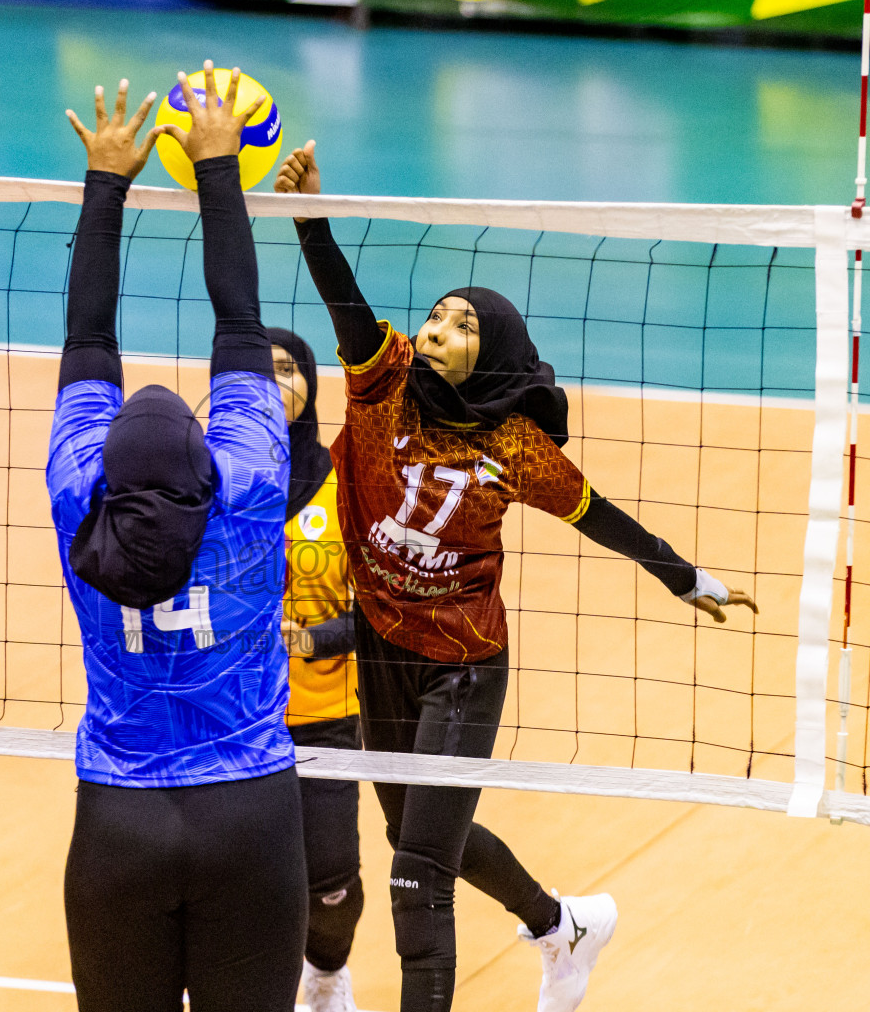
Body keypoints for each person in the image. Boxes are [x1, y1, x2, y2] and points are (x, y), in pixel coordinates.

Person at [275, 140, 758, 1012]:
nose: (434, 327)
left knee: (417, 879)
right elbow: (342, 300)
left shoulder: (518, 450)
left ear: (490, 353)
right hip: (384, 650)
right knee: (413, 832)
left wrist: (683, 577)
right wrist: (312, 215)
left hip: (462, 667)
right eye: (434, 314)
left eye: (461, 324)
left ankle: (535, 942)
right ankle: (561, 928)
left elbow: (601, 515)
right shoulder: (382, 384)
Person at [49, 67, 306, 1012]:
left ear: (107, 472)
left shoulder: (82, 505)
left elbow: (87, 340)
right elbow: (240, 323)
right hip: (251, 816)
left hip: (119, 821)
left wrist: (105, 179)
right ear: (206, 458)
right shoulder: (247, 488)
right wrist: (216, 166)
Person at [273, 327, 365, 1012]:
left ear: (310, 381)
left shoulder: (347, 487)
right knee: (246, 879)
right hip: (233, 721)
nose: (276, 382)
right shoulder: (211, 480)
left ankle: (327, 977)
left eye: (287, 369)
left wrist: (316, 639)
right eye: (259, 369)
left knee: (333, 888)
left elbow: (386, 609)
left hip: (329, 716)